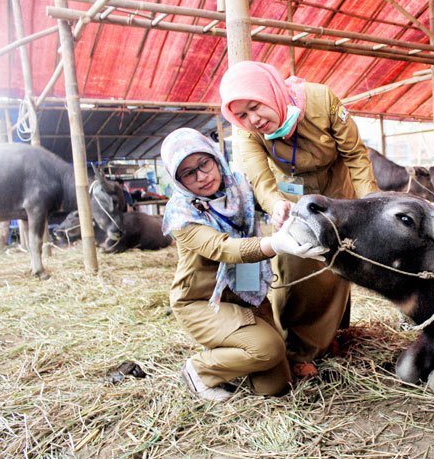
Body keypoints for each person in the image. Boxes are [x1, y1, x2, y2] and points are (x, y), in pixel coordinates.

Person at [219, 61, 379, 377]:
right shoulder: (246, 130)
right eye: (243, 115)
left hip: (335, 189)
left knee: (338, 263)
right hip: (292, 198)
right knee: (296, 264)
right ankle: (297, 348)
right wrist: (274, 202)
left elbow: (356, 155)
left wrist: (371, 201)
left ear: (272, 92)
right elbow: (259, 175)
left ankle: (331, 335)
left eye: (255, 106)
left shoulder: (322, 100)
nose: (254, 119)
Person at [160, 127, 327, 400]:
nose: (202, 176)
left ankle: (238, 358)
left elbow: (266, 192)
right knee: (268, 349)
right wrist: (274, 244)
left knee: (276, 388)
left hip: (245, 293)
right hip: (203, 302)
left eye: (204, 163)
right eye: (189, 173)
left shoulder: (238, 185)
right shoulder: (182, 215)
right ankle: (200, 370)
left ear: (215, 156)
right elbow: (222, 248)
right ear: (178, 181)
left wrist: (277, 204)